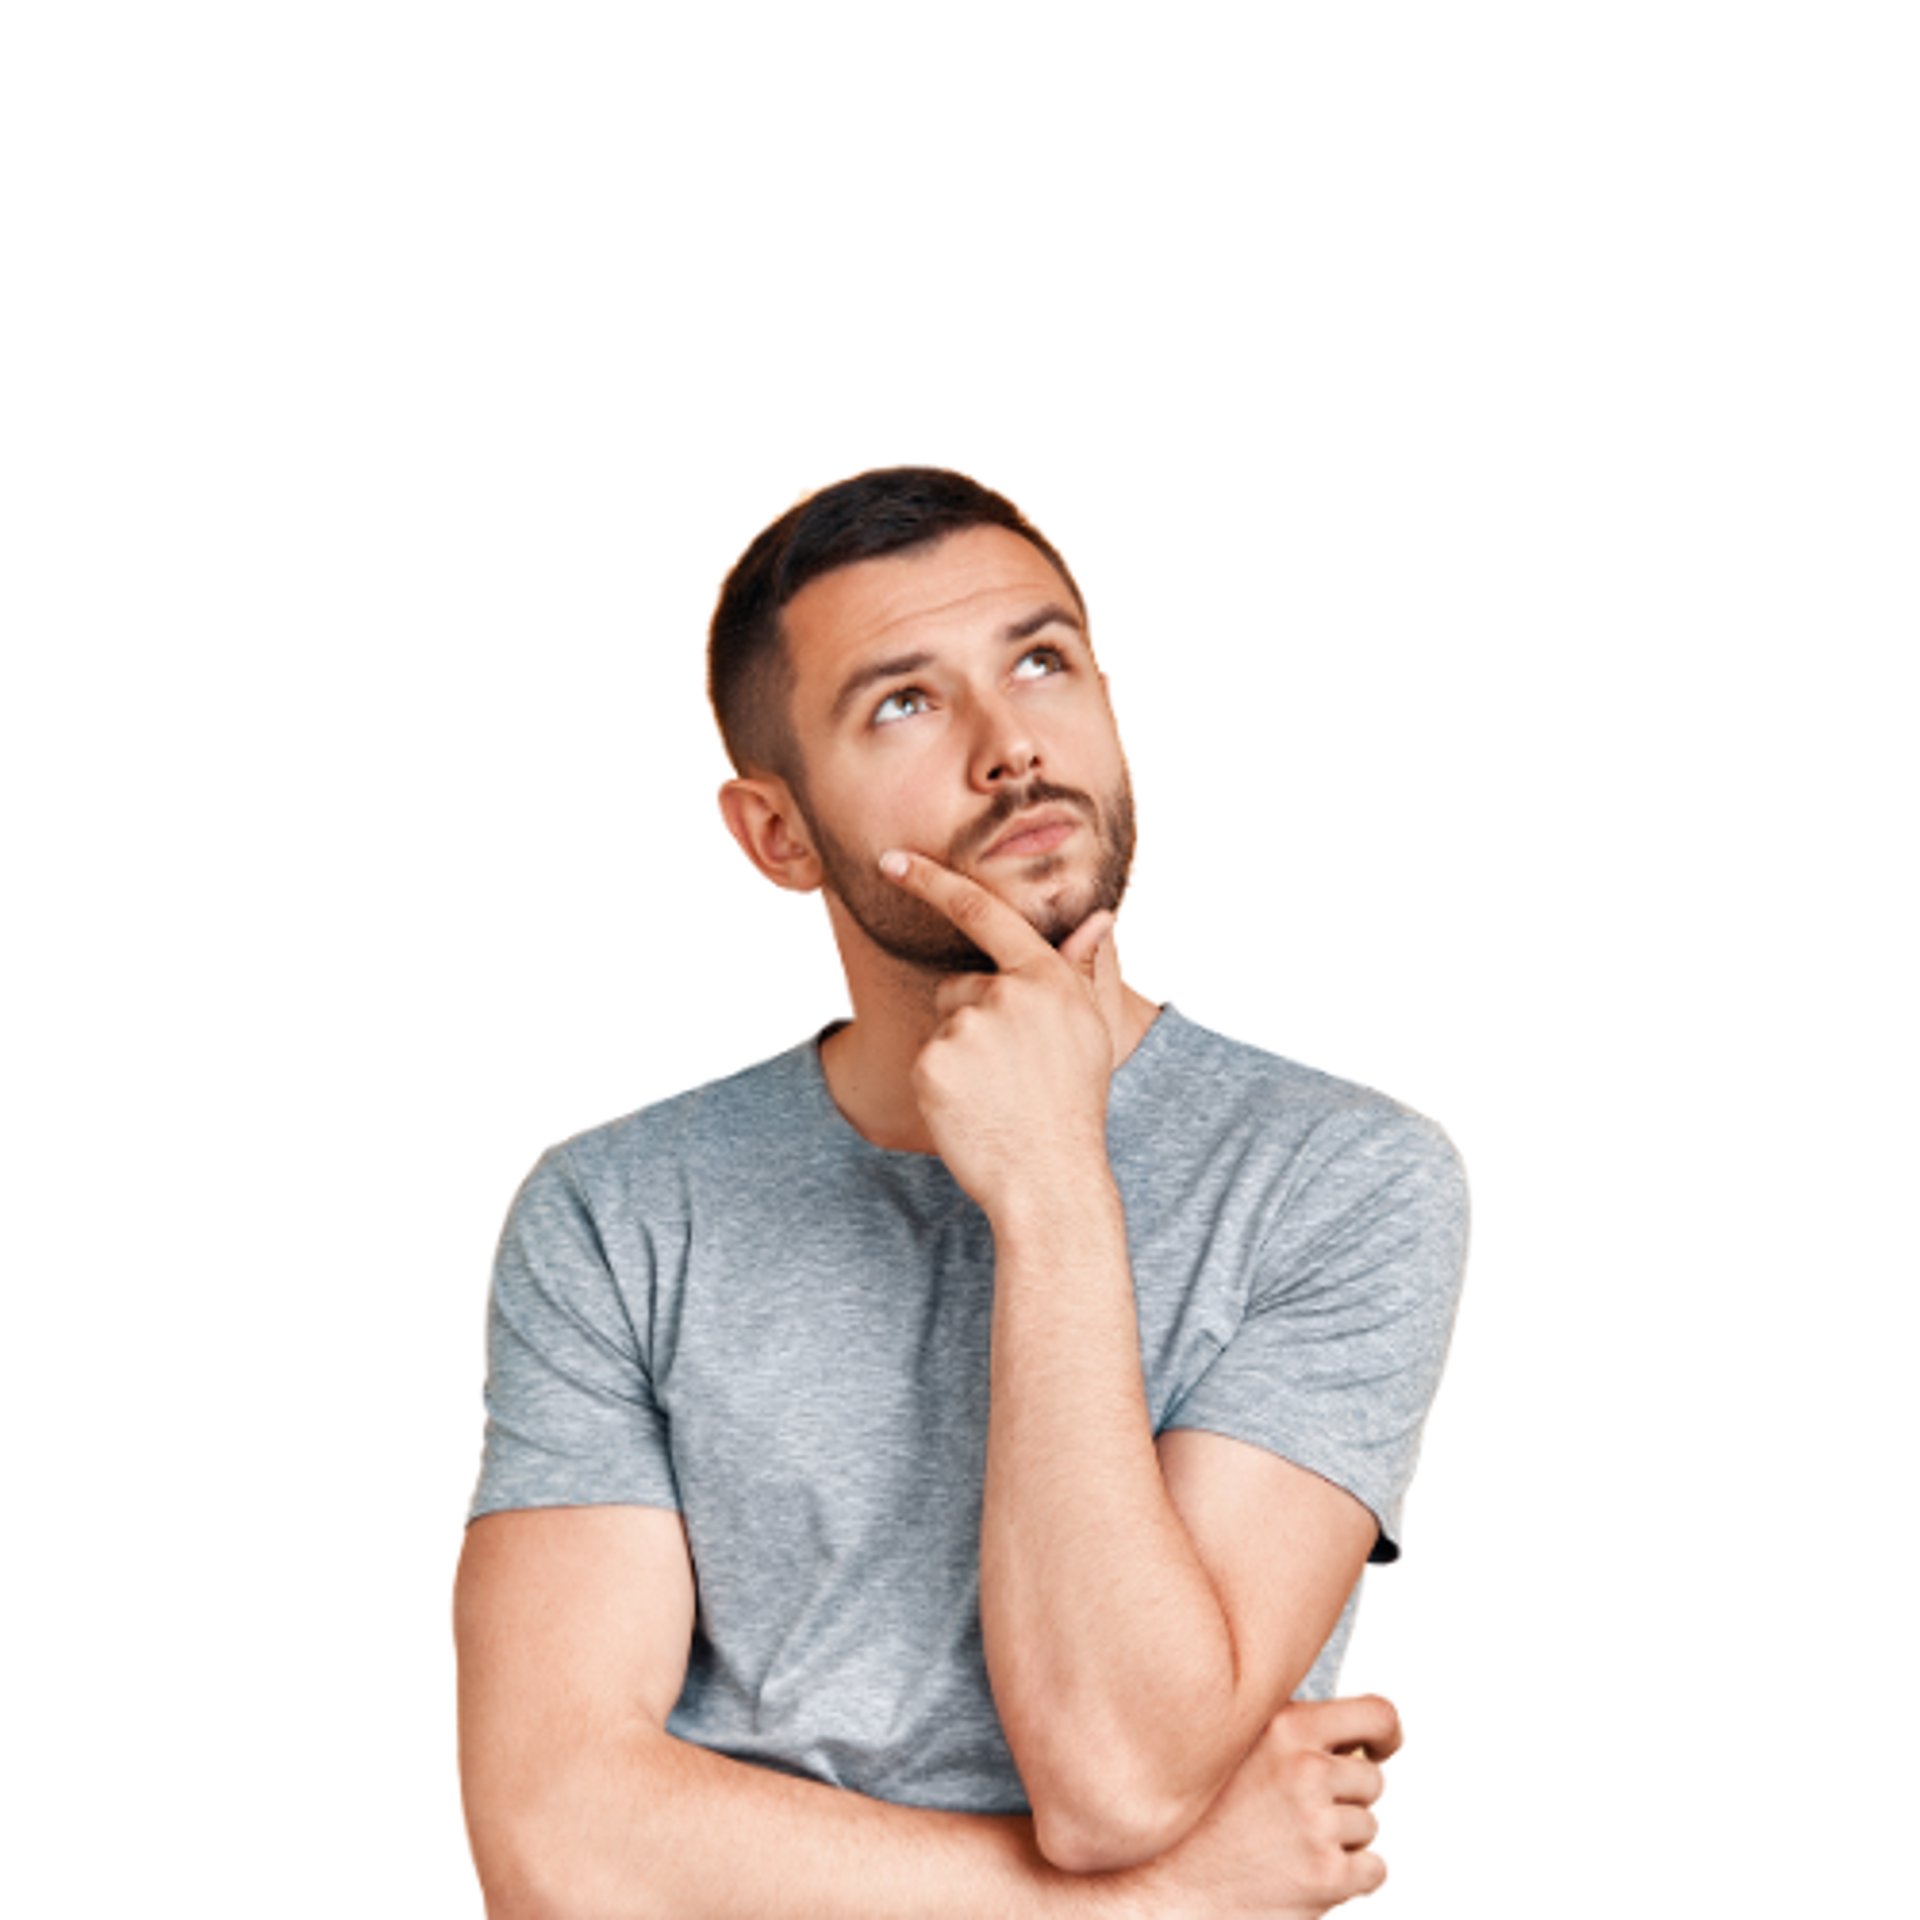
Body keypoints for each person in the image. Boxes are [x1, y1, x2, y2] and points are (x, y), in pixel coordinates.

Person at [454, 467, 1469, 1918]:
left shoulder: (1340, 1180)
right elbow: (558, 1840)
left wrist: (1052, 1178)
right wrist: (1156, 1908)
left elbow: (1119, 1773)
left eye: (1042, 664)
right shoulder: (620, 1214)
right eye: (904, 704)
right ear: (778, 833)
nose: (1012, 750)